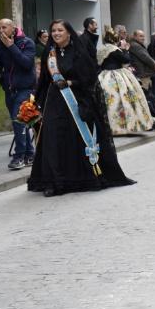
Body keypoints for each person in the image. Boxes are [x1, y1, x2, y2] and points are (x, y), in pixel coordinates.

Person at [28, 20, 134, 196]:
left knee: (73, 139)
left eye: (60, 30)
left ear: (68, 32)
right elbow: (45, 80)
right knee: (53, 139)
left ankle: (77, 178)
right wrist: (35, 102)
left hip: (75, 100)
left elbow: (89, 78)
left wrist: (70, 82)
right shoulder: (50, 52)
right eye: (53, 30)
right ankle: (55, 182)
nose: (56, 33)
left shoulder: (79, 52)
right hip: (54, 102)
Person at [0, 19, 37, 170]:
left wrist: (11, 46)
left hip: (26, 89)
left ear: (13, 28)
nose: (1, 30)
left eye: (4, 27)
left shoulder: (27, 43)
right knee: (19, 123)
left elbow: (26, 63)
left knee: (19, 121)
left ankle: (19, 157)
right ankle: (30, 154)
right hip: (10, 90)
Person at [96, 27, 154, 135]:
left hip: (104, 76)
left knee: (109, 103)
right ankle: (126, 126)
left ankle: (110, 127)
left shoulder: (101, 49)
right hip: (117, 75)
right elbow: (126, 60)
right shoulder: (114, 49)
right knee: (126, 100)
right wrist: (125, 50)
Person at [128, 29, 155, 126]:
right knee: (146, 98)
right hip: (142, 75)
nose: (143, 38)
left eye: (143, 36)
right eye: (140, 36)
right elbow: (145, 57)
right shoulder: (135, 46)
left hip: (144, 74)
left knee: (148, 97)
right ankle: (154, 117)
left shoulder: (136, 45)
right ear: (134, 36)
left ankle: (153, 118)